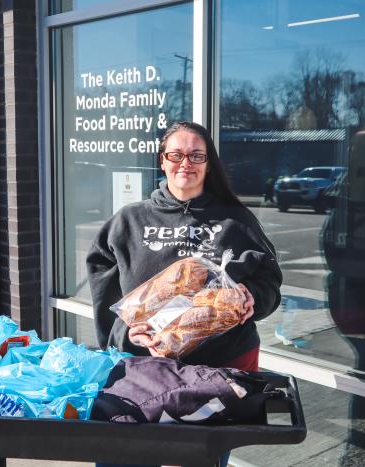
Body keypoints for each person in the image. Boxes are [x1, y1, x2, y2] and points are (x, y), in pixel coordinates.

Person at [86, 121, 283, 467]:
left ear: (209, 164)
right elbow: (103, 279)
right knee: (125, 456)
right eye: (176, 154)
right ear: (162, 160)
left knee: (201, 461)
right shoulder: (129, 220)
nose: (185, 164)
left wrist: (254, 297)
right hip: (143, 369)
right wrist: (122, 332)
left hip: (216, 370)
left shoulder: (236, 220)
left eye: (196, 155)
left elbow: (269, 280)